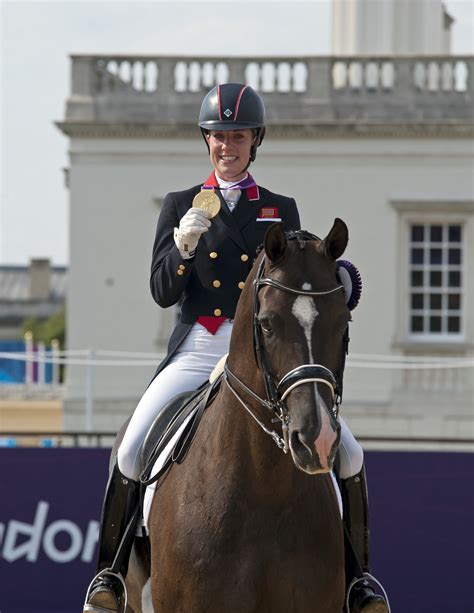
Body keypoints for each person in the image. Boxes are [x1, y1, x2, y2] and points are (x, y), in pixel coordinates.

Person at [83, 83, 388, 613]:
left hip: (263, 350)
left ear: (255, 141)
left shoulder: (279, 208)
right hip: (199, 346)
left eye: (239, 136)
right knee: (132, 447)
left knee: (350, 453)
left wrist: (338, 275)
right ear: (208, 141)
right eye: (220, 136)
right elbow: (162, 292)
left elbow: (301, 279)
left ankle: (360, 582)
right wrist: (182, 249)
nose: (229, 146)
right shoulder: (181, 205)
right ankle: (108, 577)